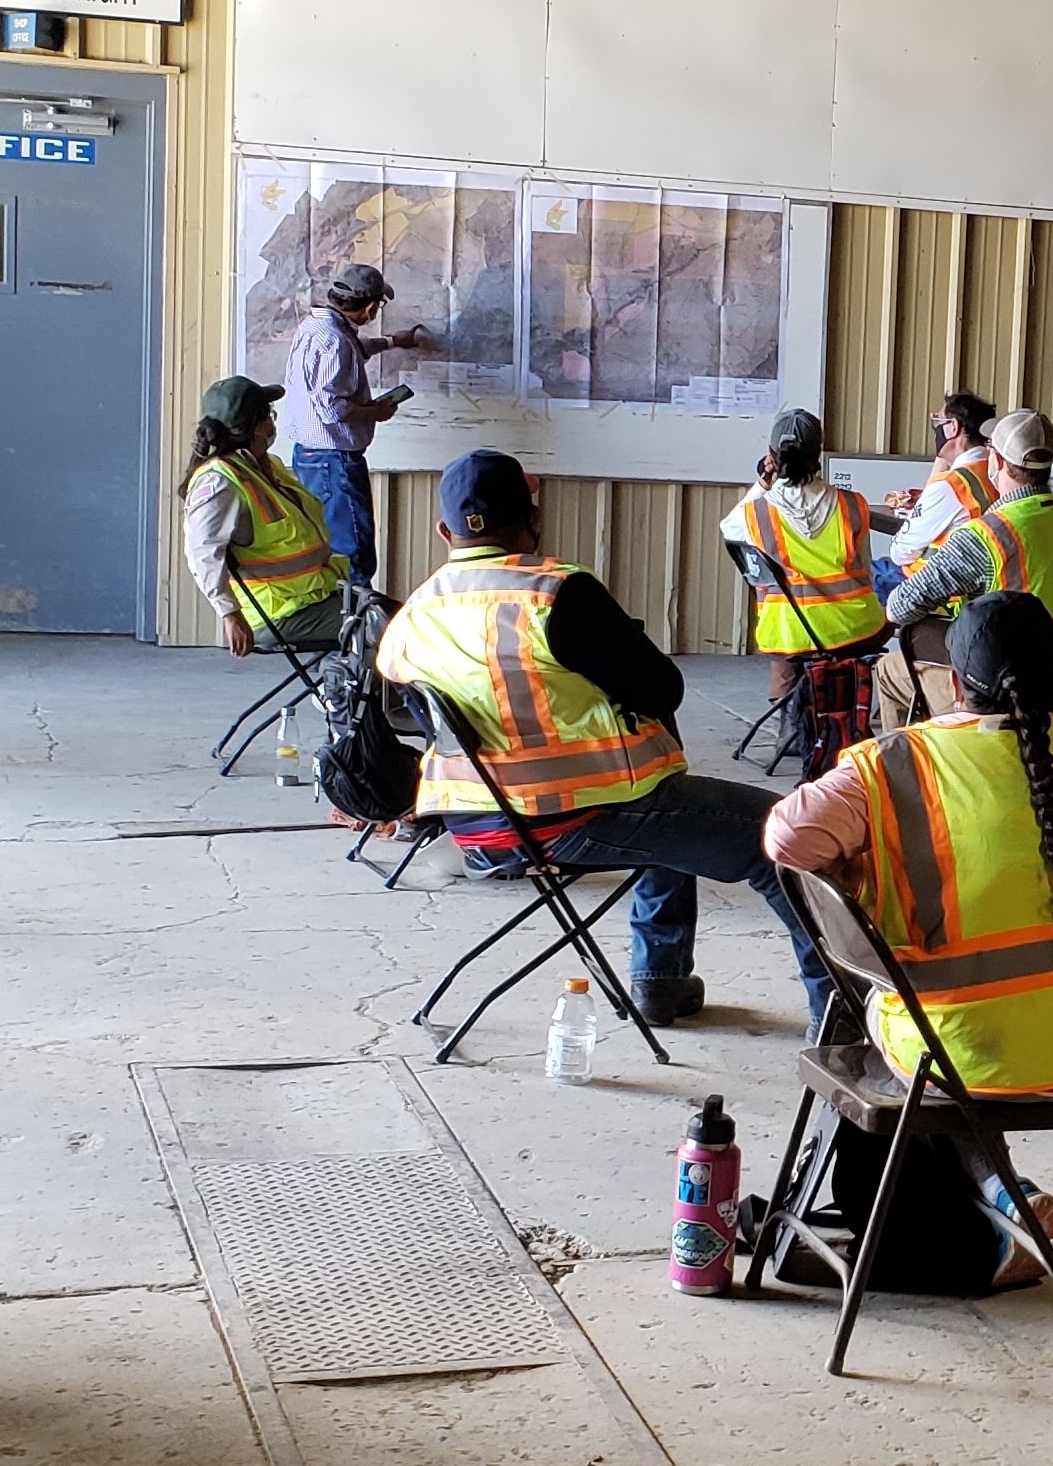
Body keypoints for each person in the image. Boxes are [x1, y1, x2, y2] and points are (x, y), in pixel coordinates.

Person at [766, 592, 1053, 1298]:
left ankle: (999, 1186)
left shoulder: (892, 764)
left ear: (954, 683)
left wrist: (858, 872)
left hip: (961, 1066)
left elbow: (787, 840)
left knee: (907, 1021)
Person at [380, 450, 833, 1029]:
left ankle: (660, 981)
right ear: (533, 515)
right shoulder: (555, 593)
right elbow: (661, 688)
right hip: (575, 815)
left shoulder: (415, 613)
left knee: (669, 799)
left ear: (443, 531)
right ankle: (839, 1017)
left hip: (476, 826)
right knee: (786, 834)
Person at [883, 410, 1053, 710]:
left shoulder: (987, 535)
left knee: (888, 670)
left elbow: (899, 607)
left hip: (1000, 693)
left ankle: (932, 752)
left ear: (995, 462)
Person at [728, 408, 888, 739]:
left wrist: (763, 482)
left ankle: (791, 720)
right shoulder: (853, 504)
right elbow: (866, 572)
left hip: (788, 633)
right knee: (878, 620)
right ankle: (846, 709)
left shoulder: (755, 512)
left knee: (790, 639)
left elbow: (728, 529)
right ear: (819, 455)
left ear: (771, 456)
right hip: (853, 629)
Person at [278, 265, 428, 594]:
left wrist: (391, 342)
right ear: (371, 307)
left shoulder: (316, 327)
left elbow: (353, 350)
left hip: (311, 455)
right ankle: (351, 639)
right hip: (336, 461)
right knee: (353, 552)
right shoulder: (336, 341)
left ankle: (340, 633)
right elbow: (333, 409)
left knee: (330, 546)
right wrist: (375, 412)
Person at [179, 376, 350, 657]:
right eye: (269, 416)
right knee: (396, 633)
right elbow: (203, 552)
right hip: (278, 612)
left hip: (312, 596)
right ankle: (344, 697)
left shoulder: (264, 467)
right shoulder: (220, 483)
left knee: (397, 617)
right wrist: (230, 614)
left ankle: (341, 689)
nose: (273, 425)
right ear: (254, 427)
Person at [880, 392, 1000, 600]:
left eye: (938, 421)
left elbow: (901, 553)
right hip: (975, 585)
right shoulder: (994, 471)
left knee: (866, 575)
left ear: (953, 427)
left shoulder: (950, 485)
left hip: (932, 586)